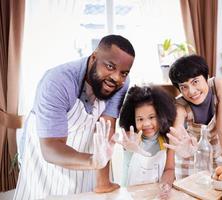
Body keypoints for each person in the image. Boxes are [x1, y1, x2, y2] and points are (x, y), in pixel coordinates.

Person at [14, 35, 135, 199]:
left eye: (124, 73)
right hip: (46, 161)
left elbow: (105, 129)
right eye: (110, 66)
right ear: (94, 57)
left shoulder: (121, 83)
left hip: (87, 156)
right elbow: (51, 148)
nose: (116, 77)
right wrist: (93, 162)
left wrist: (103, 183)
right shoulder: (57, 82)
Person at [163, 55, 222, 179]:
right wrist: (168, 174)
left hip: (218, 156)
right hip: (190, 162)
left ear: (206, 77)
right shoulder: (180, 106)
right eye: (183, 87)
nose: (191, 91)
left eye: (195, 82)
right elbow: (175, 141)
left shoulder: (219, 85)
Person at [116, 85, 176, 199]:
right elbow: (127, 141)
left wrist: (165, 186)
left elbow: (169, 169)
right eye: (140, 119)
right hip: (129, 196)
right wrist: (130, 145)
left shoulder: (167, 139)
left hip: (156, 196)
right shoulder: (132, 136)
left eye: (151, 117)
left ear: (161, 115)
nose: (146, 124)